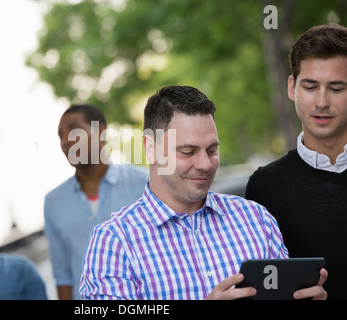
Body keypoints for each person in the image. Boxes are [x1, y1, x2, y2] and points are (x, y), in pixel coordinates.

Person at [79, 85, 328, 300]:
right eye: (188, 152)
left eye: (211, 150)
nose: (205, 164)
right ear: (151, 148)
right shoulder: (114, 242)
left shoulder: (256, 220)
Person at [245, 23, 347, 300]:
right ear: (292, 88)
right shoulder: (264, 187)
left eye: (336, 88)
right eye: (310, 86)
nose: (322, 101)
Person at [44, 104, 149, 300]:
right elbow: (62, 275)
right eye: (60, 135)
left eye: (74, 131)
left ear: (101, 131)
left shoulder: (145, 184)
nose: (66, 141)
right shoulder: (53, 202)